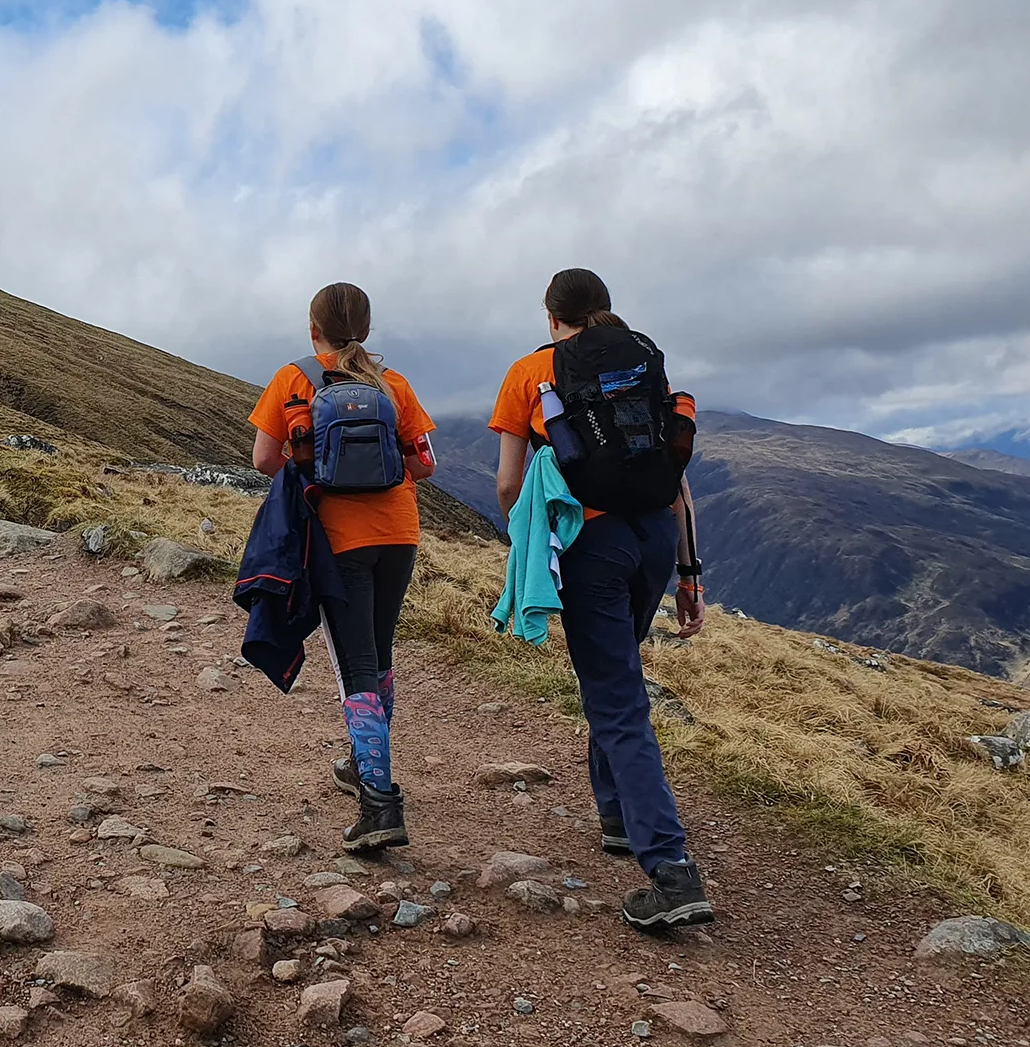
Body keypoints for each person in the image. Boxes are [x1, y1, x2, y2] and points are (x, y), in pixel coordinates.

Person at [489, 267, 710, 930]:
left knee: (617, 700)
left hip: (591, 544)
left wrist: (531, 546)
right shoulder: (642, 361)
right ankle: (617, 815)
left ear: (551, 317)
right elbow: (674, 479)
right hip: (651, 539)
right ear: (607, 310)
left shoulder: (530, 372)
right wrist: (689, 575)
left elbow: (507, 483)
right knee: (612, 676)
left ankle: (671, 869)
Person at [250, 283, 436, 851]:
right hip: (399, 533)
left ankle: (380, 803)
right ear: (368, 328)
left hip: (339, 541)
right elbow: (424, 465)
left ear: (313, 330)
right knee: (378, 655)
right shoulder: (393, 384)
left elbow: (262, 460)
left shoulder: (294, 379)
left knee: (354, 665)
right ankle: (363, 765)